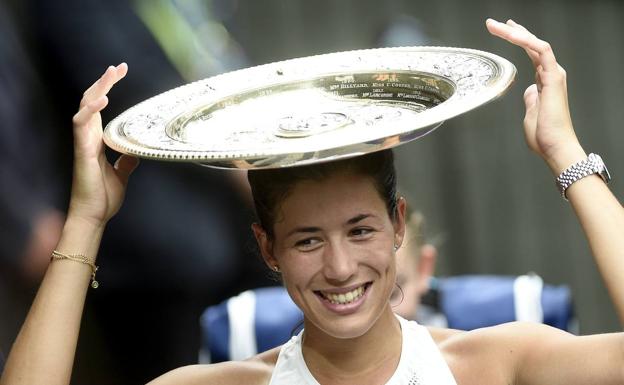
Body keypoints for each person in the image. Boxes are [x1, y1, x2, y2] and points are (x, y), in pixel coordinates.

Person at [1, 18, 623, 385]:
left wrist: (566, 155)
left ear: (398, 225)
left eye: (360, 230)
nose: (341, 267)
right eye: (306, 240)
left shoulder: (490, 366)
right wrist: (85, 220)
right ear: (267, 248)